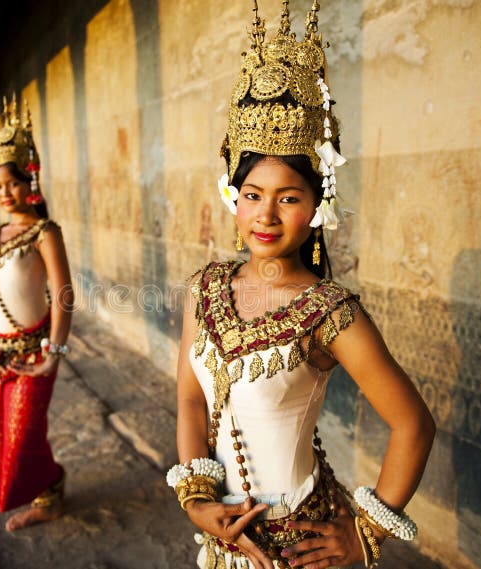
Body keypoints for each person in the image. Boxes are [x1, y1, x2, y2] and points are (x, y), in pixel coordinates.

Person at [168, 3, 436, 568]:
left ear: (317, 205)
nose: (265, 215)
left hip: (301, 548)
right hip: (223, 541)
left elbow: (412, 423)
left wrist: (364, 536)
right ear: (233, 200)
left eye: (288, 197)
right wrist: (196, 500)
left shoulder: (328, 312)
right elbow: (192, 398)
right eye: (252, 195)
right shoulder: (204, 289)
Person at [0, 95, 73, 532]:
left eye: (12, 183)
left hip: (34, 353)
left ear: (30, 181)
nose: (4, 193)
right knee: (0, 439)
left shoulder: (44, 232)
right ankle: (49, 488)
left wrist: (56, 352)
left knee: (23, 435)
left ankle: (52, 489)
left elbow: (64, 293)